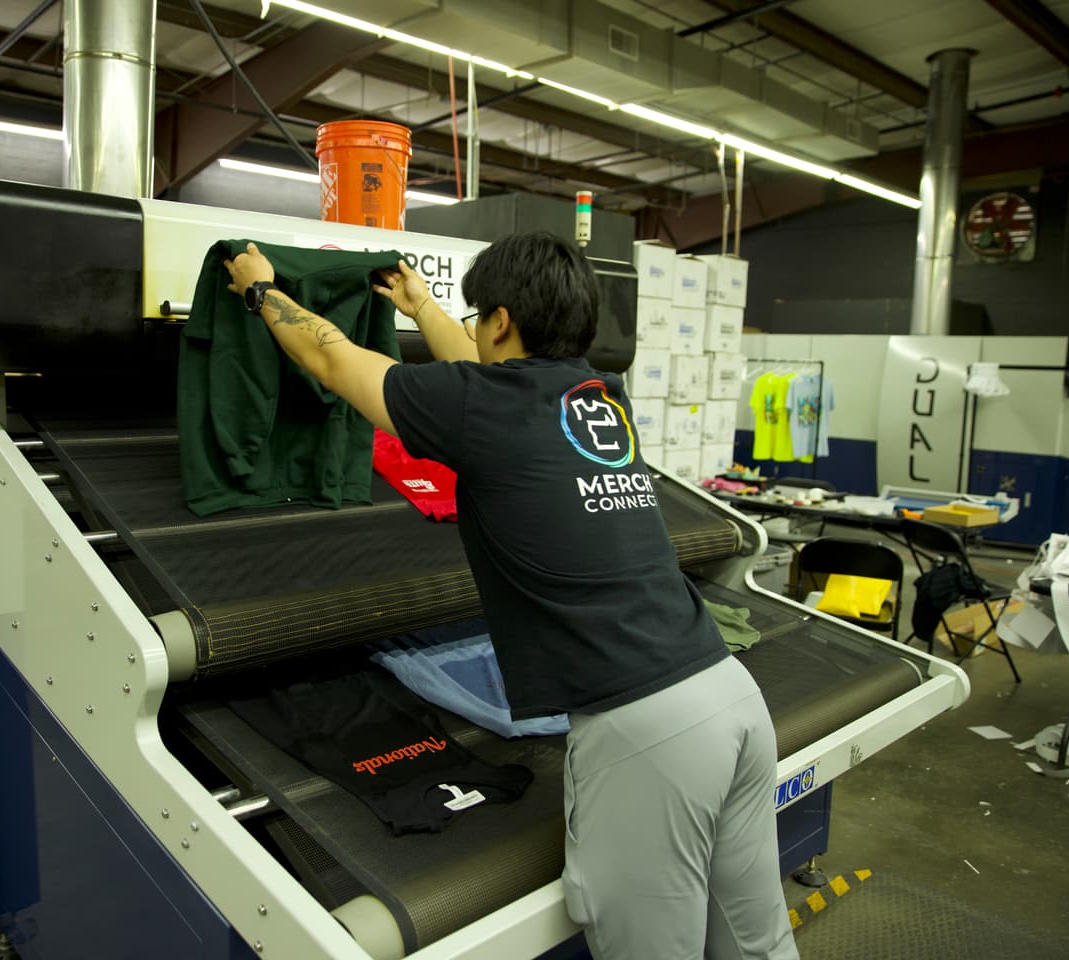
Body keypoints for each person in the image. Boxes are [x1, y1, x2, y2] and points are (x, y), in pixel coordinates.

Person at [221, 233, 798, 960]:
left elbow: (331, 358)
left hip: (648, 730)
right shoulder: (593, 398)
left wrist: (259, 288)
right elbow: (480, 372)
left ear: (498, 321)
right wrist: (425, 306)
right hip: (729, 699)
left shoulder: (487, 408)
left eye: (476, 317)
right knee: (753, 939)